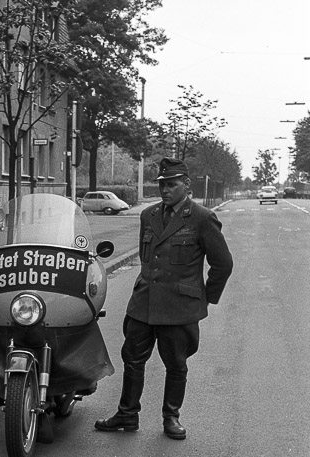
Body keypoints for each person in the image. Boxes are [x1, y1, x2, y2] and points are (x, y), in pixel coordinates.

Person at [95, 157, 233, 439]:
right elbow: (148, 258)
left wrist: (204, 299)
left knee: (176, 364)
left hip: (179, 307)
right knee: (132, 359)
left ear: (186, 185)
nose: (165, 190)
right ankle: (127, 414)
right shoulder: (149, 215)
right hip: (143, 303)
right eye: (162, 185)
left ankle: (171, 417)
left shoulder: (202, 218)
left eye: (172, 184)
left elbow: (223, 264)